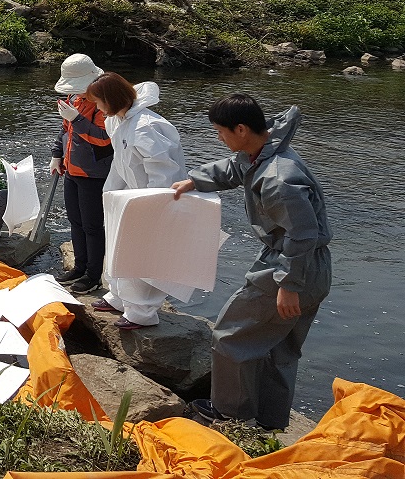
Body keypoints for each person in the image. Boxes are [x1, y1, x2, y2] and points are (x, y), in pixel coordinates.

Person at [170, 95, 332, 431]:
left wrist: (288, 286)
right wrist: (196, 180)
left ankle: (231, 415)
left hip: (290, 266)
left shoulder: (279, 179)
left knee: (230, 337)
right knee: (278, 347)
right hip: (313, 269)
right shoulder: (264, 147)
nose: (219, 139)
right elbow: (235, 166)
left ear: (241, 129)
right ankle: (269, 421)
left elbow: (301, 234)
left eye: (221, 132)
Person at [82, 72, 188, 330]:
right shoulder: (118, 121)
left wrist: (152, 204)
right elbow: (121, 162)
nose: (97, 108)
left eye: (98, 102)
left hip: (151, 199)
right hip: (128, 195)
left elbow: (164, 171)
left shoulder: (147, 126)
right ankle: (119, 296)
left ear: (112, 99)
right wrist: (111, 195)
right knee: (118, 245)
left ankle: (142, 312)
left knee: (142, 256)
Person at [49, 53, 113, 295]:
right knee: (75, 222)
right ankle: (80, 267)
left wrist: (75, 119)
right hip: (72, 169)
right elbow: (64, 130)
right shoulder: (73, 98)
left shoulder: (103, 104)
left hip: (94, 174)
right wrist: (57, 154)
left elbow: (103, 140)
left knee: (93, 226)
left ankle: (93, 276)